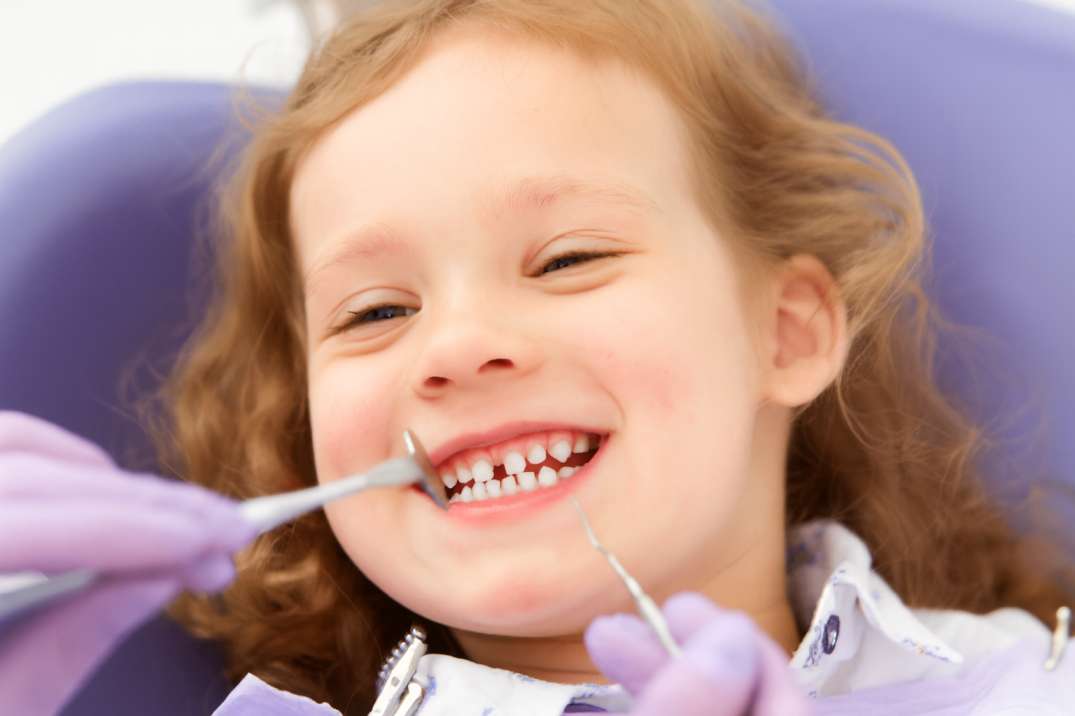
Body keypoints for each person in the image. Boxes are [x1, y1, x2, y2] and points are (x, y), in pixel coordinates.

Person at [2, 0, 1073, 713]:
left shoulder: (1025, 684)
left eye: (566, 258)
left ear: (785, 330)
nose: (459, 346)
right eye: (375, 313)